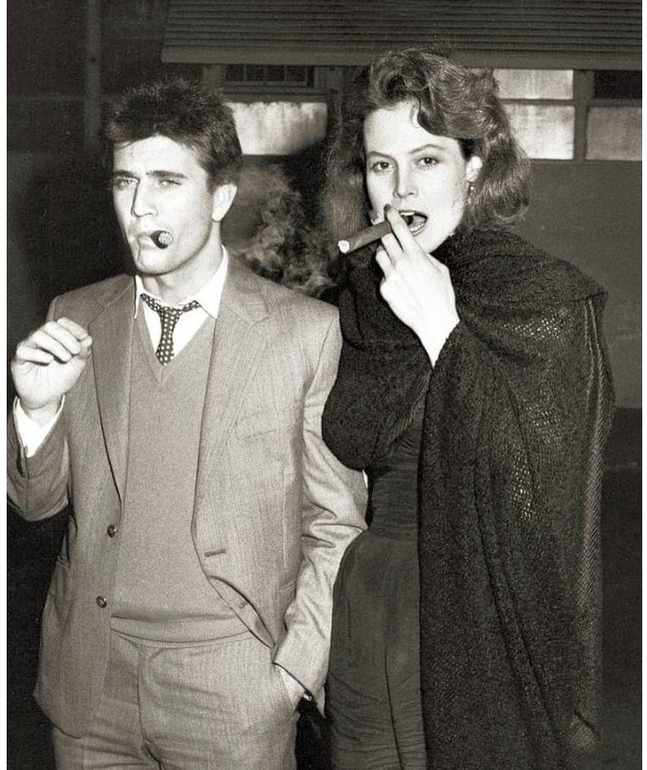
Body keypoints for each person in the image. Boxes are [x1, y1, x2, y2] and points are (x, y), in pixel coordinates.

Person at [7, 78, 367, 770]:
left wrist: (291, 673)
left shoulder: (305, 333)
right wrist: (37, 410)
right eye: (125, 182)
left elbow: (335, 524)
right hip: (91, 685)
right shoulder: (74, 315)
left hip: (233, 690)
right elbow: (35, 503)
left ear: (220, 197)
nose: (139, 207)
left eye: (167, 182)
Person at [320, 48, 615, 770]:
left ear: (474, 167)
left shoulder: (541, 297)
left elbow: (550, 492)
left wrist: (442, 333)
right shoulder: (357, 297)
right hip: (365, 610)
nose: (400, 188)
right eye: (382, 164)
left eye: (427, 160)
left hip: (476, 618)